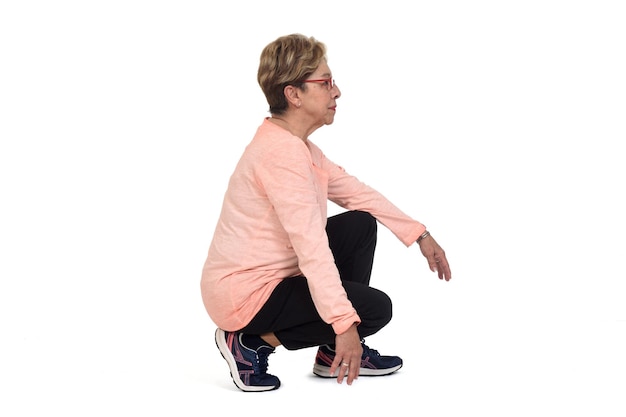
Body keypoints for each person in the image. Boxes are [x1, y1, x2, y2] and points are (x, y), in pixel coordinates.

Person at [201, 33, 452, 392]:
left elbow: (358, 194)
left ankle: (330, 353)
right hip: (245, 295)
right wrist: (345, 324)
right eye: (326, 82)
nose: (336, 92)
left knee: (359, 225)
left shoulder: (296, 146)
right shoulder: (281, 157)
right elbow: (312, 248)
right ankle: (249, 343)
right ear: (294, 94)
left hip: (276, 275)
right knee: (375, 309)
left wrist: (420, 235)